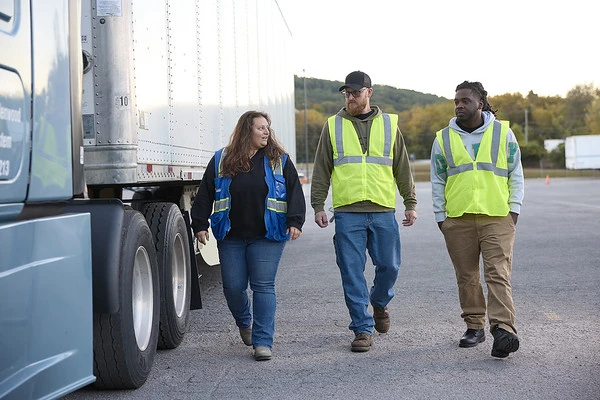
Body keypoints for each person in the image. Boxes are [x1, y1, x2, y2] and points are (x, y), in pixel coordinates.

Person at [311, 71, 417, 352]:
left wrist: (410, 202)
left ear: (369, 93)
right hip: (347, 212)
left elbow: (402, 167)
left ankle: (379, 302)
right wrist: (318, 205)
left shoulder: (389, 124)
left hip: (383, 210)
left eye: (356, 93)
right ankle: (362, 328)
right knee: (351, 272)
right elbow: (321, 168)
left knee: (390, 266)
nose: (350, 98)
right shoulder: (332, 126)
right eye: (347, 93)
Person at [191, 111, 306, 361]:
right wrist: (199, 224)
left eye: (267, 128)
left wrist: (295, 221)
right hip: (230, 235)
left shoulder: (279, 160)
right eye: (260, 128)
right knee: (233, 287)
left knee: (263, 286)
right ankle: (245, 322)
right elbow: (205, 192)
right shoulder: (222, 159)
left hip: (268, 235)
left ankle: (263, 342)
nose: (266, 132)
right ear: (247, 131)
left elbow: (294, 191)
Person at [430, 81, 524, 358]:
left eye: (465, 101)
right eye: (456, 102)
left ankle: (503, 329)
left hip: (497, 216)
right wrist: (441, 217)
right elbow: (438, 179)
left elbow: (516, 173)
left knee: (498, 273)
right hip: (458, 219)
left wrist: (514, 210)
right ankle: (474, 326)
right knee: (467, 276)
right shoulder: (443, 138)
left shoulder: (503, 133)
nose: (459, 105)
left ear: (480, 104)